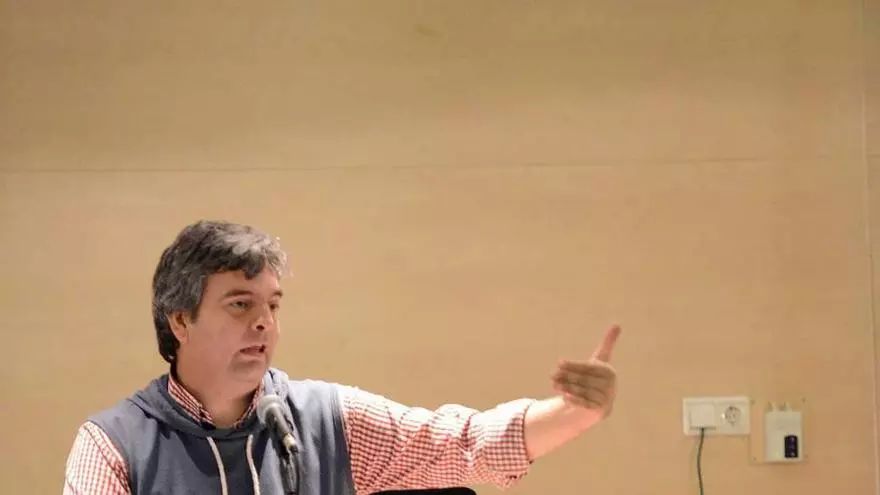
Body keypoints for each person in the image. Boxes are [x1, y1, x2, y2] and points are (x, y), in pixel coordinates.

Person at [63, 220, 621, 495]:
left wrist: (573, 414)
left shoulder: (326, 420)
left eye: (272, 304)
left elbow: (463, 444)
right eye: (240, 304)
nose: (264, 322)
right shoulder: (113, 445)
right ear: (180, 321)